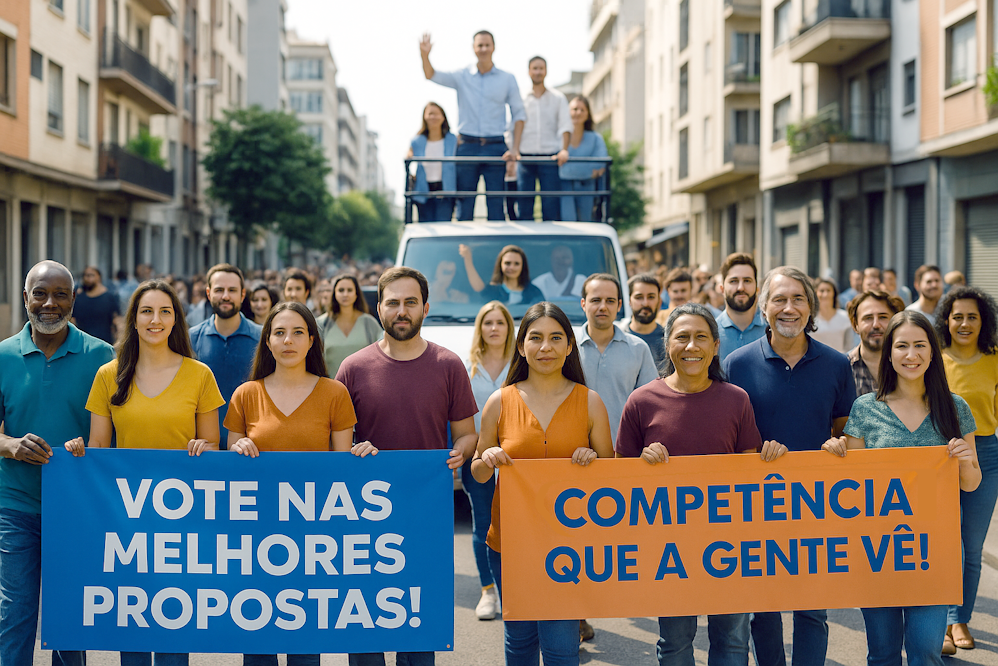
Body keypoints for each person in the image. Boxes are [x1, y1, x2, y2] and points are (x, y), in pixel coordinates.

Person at [616, 303, 787, 666]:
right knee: (675, 642)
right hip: (669, 552)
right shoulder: (641, 401)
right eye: (682, 337)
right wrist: (642, 465)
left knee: (732, 640)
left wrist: (770, 457)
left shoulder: (736, 400)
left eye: (700, 337)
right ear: (668, 346)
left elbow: (749, 475)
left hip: (730, 548)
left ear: (714, 347)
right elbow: (620, 480)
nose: (691, 346)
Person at [65, 280, 224, 666]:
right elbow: (100, 447)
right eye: (147, 311)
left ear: (176, 320)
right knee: (132, 618)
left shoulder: (199, 374)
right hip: (127, 517)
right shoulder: (109, 374)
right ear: (133, 320)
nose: (156, 320)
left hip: (182, 517)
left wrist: (205, 449)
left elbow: (213, 445)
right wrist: (79, 452)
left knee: (173, 621)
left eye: (165, 312)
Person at [335, 267, 479, 666]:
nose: (402, 311)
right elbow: (337, 443)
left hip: (425, 515)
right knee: (364, 625)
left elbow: (467, 434)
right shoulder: (352, 369)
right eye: (393, 302)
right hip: (364, 516)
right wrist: (352, 448)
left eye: (410, 302)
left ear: (425, 308)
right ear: (378, 308)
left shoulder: (448, 365)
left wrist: (460, 452)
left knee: (418, 624)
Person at [823, 310, 980, 666]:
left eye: (920, 345)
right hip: (877, 553)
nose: (912, 355)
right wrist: (835, 454)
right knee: (883, 654)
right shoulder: (865, 409)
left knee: (926, 651)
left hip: (933, 552)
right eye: (902, 346)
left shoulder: (956, 408)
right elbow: (852, 487)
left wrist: (965, 459)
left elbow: (971, 484)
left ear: (933, 352)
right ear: (890, 354)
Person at [723, 266, 856, 666]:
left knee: (813, 608)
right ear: (764, 307)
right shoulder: (735, 364)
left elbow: (845, 431)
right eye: (779, 299)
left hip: (817, 505)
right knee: (764, 607)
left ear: (812, 307)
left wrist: (840, 445)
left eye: (798, 298)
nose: (789, 308)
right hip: (756, 506)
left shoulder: (836, 364)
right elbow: (727, 437)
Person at [471, 301, 613, 666]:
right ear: (521, 346)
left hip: (572, 547)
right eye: (535, 338)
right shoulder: (498, 402)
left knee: (561, 646)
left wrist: (593, 461)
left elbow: (613, 477)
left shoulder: (591, 403)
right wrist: (486, 459)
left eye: (555, 338)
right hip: (511, 544)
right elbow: (476, 471)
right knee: (519, 642)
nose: (545, 347)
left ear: (569, 346)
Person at [226, 302, 366, 666]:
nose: (288, 340)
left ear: (311, 341)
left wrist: (361, 456)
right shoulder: (246, 394)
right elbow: (229, 466)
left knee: (305, 645)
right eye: (279, 332)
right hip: (255, 539)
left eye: (298, 332)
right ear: (267, 342)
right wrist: (236, 448)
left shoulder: (334, 393)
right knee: (258, 642)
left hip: (313, 539)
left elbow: (342, 469)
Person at [0, 260, 113, 666]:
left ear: (73, 299)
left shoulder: (103, 357)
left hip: (78, 509)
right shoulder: (3, 356)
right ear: (25, 297)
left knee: (69, 622)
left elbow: (116, 434)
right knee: (14, 617)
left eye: (60, 294)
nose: (50, 303)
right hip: (16, 506)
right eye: (40, 293)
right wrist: (9, 444)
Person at [934, 286, 998, 654]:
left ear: (982, 321)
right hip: (939, 457)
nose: (964, 323)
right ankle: (939, 620)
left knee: (971, 547)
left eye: (972, 316)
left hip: (985, 454)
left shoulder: (993, 360)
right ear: (947, 320)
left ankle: (960, 620)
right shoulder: (935, 358)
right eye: (957, 316)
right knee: (945, 544)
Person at [420, 31, 526, 221]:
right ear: (473, 48)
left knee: (496, 203)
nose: (483, 49)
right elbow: (431, 75)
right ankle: (464, 248)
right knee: (465, 203)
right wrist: (425, 56)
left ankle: (496, 248)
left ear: (494, 47)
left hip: (496, 146)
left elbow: (519, 114)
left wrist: (515, 149)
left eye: (487, 45)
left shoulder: (507, 79)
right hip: (467, 145)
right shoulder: (462, 76)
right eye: (480, 45)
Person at [463, 301, 515, 621]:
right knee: (483, 523)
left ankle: (518, 588)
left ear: (510, 328)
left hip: (515, 459)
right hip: (480, 457)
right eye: (487, 323)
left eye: (500, 322)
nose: (494, 328)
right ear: (480, 329)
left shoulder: (522, 364)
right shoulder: (465, 367)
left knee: (518, 526)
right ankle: (488, 591)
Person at [578, 273, 658, 443]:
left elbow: (650, 405)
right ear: (583, 304)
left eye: (610, 301)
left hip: (623, 450)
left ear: (619, 305)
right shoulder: (566, 347)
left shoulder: (638, 348)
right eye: (595, 300)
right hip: (574, 450)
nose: (603, 307)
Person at [189, 264, 262, 445]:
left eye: (232, 290)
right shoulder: (191, 339)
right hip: (202, 447)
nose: (226, 296)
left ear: (243, 295)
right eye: (219, 290)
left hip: (252, 446)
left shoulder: (263, 339)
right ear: (208, 293)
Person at [519, 56, 571, 221]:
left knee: (550, 205)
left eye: (541, 68)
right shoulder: (520, 98)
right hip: (524, 157)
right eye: (535, 68)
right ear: (529, 71)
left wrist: (564, 150)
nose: (538, 72)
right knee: (524, 204)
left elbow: (565, 125)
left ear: (546, 71)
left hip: (550, 157)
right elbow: (512, 126)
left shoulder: (558, 98)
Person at [316, 274, 382, 378]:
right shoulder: (321, 324)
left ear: (356, 294)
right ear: (334, 294)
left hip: (363, 387)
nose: (345, 294)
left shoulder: (369, 323)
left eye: (349, 290)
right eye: (341, 290)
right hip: (331, 387)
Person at [845, 290, 905, 397]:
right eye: (868, 318)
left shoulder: (909, 365)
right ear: (855, 325)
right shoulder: (842, 368)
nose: (876, 325)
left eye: (883, 317)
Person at [560, 95, 608, 222]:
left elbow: (601, 164)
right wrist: (585, 169)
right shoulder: (559, 137)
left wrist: (568, 169)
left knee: (586, 221)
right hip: (564, 186)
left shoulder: (596, 138)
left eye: (582, 110)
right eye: (575, 109)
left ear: (588, 114)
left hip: (587, 186)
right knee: (568, 219)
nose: (578, 113)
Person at [408, 101, 457, 222]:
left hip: (445, 190)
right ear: (424, 117)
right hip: (424, 190)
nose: (433, 117)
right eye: (430, 114)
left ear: (443, 117)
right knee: (425, 226)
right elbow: (409, 156)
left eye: (436, 114)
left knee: (444, 225)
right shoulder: (416, 141)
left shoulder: (453, 139)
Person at [716, 253, 767, 362]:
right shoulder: (711, 332)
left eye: (747, 281)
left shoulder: (772, 331)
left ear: (757, 289)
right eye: (733, 281)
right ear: (722, 289)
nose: (740, 287)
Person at [460, 244, 544, 305]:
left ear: (523, 266)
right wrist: (468, 259)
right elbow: (478, 287)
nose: (512, 267)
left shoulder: (534, 292)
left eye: (516, 264)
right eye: (507, 263)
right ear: (500, 265)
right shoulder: (494, 291)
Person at [623, 273, 667, 369]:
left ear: (659, 302)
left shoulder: (668, 340)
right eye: (639, 297)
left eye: (651, 297)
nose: (645, 303)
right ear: (629, 301)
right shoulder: (618, 337)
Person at [72, 265, 121, 344]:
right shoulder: (79, 298)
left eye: (91, 275)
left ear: (99, 277)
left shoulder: (109, 297)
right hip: (82, 344)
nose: (87, 278)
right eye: (85, 275)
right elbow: (72, 321)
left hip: (104, 343)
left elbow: (117, 320)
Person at [811, 278, 853, 353]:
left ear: (834, 293)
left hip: (839, 361)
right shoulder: (810, 319)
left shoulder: (845, 317)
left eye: (828, 290)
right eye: (822, 291)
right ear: (816, 293)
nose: (825, 294)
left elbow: (849, 346)